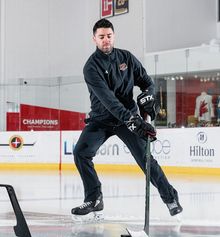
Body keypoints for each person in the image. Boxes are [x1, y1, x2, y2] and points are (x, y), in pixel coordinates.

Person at [71, 18, 183, 218]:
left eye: (109, 36)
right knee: (81, 152)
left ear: (114, 36)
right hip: (101, 119)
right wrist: (133, 121)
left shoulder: (127, 58)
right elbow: (108, 100)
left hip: (127, 117)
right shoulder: (91, 67)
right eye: (101, 37)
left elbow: (147, 82)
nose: (106, 40)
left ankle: (170, 198)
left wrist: (149, 96)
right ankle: (94, 198)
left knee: (146, 159)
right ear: (94, 39)